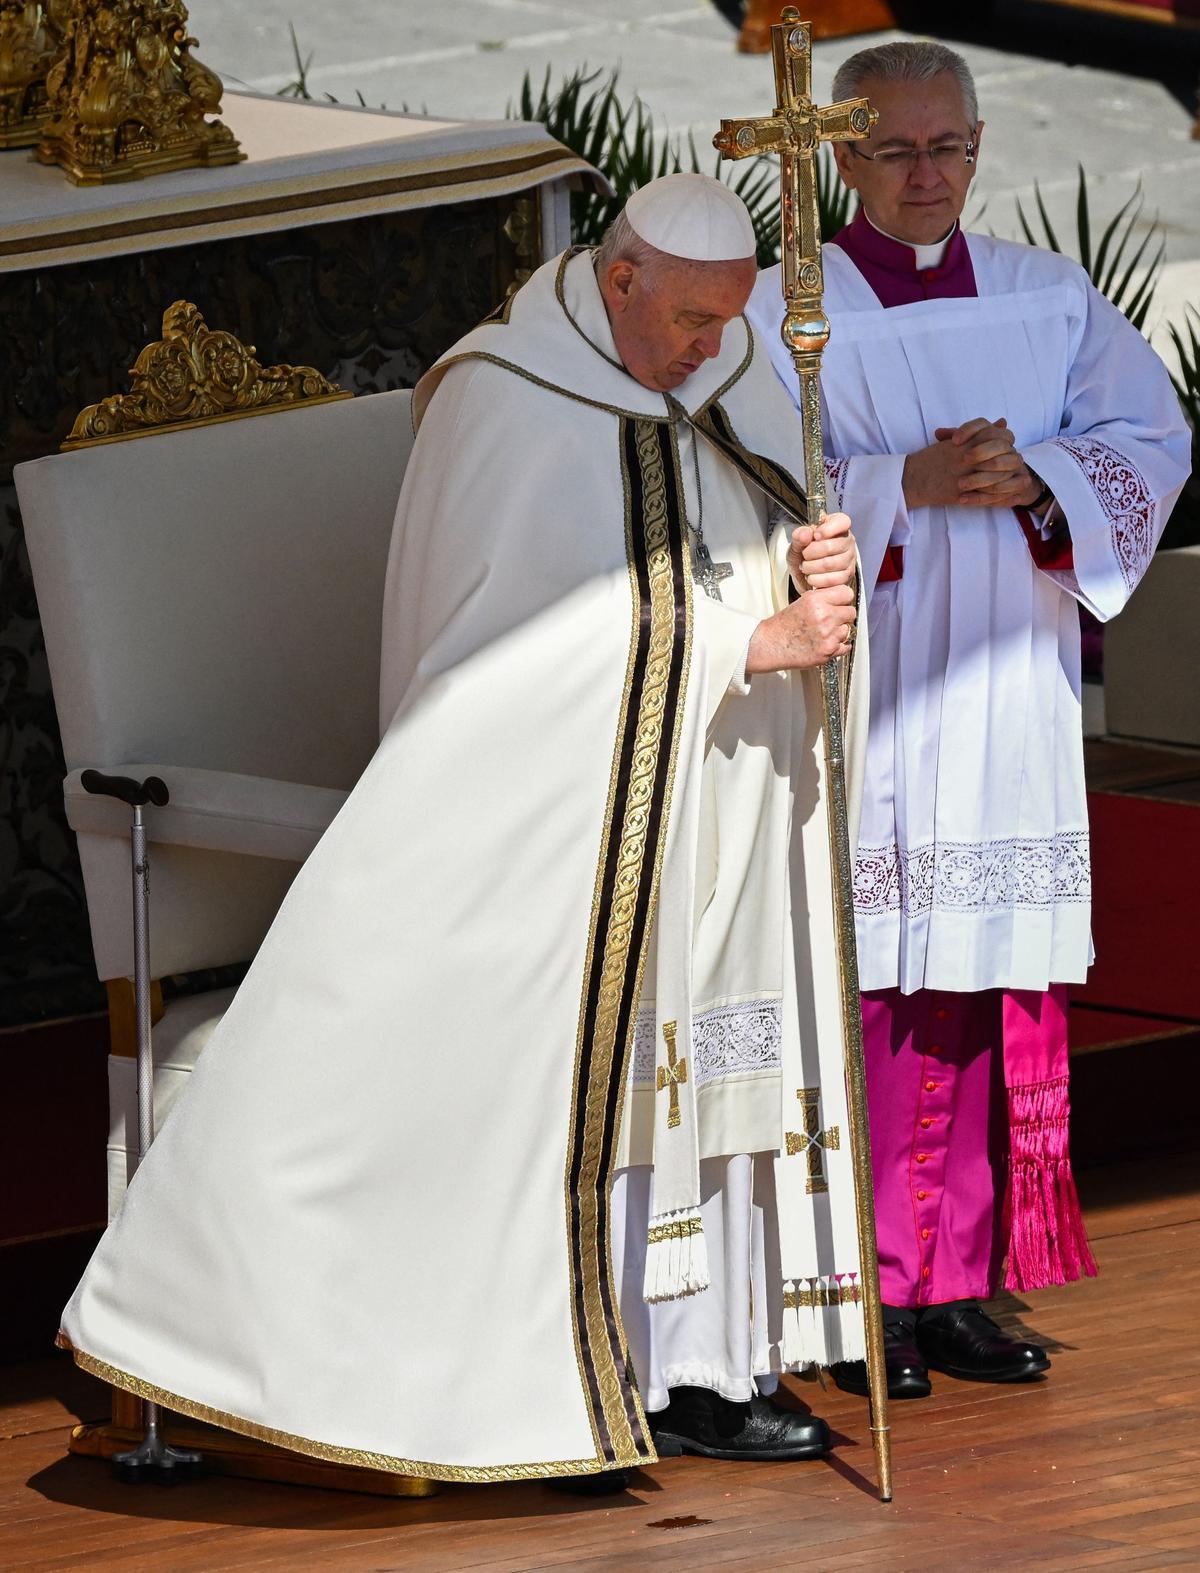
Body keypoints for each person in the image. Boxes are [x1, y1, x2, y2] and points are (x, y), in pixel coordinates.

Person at [60, 175, 872, 1491]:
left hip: (724, 783)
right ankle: (600, 1356)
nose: (706, 352)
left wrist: (818, 581)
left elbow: (769, 532)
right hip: (563, 820)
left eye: (727, 326)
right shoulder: (503, 398)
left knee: (725, 1052)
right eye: (683, 322)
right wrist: (744, 640)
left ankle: (718, 1358)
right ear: (617, 283)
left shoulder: (723, 372)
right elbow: (504, 661)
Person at [748, 41, 1191, 1401]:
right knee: (873, 981)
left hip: (1004, 690)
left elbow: (1152, 440)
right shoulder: (783, 312)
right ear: (838, 152)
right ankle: (854, 1290)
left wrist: (1042, 475)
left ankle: (959, 1284)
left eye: (952, 149)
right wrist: (897, 486)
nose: (928, 176)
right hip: (867, 693)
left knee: (987, 979)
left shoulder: (1050, 300)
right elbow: (745, 486)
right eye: (895, 151)